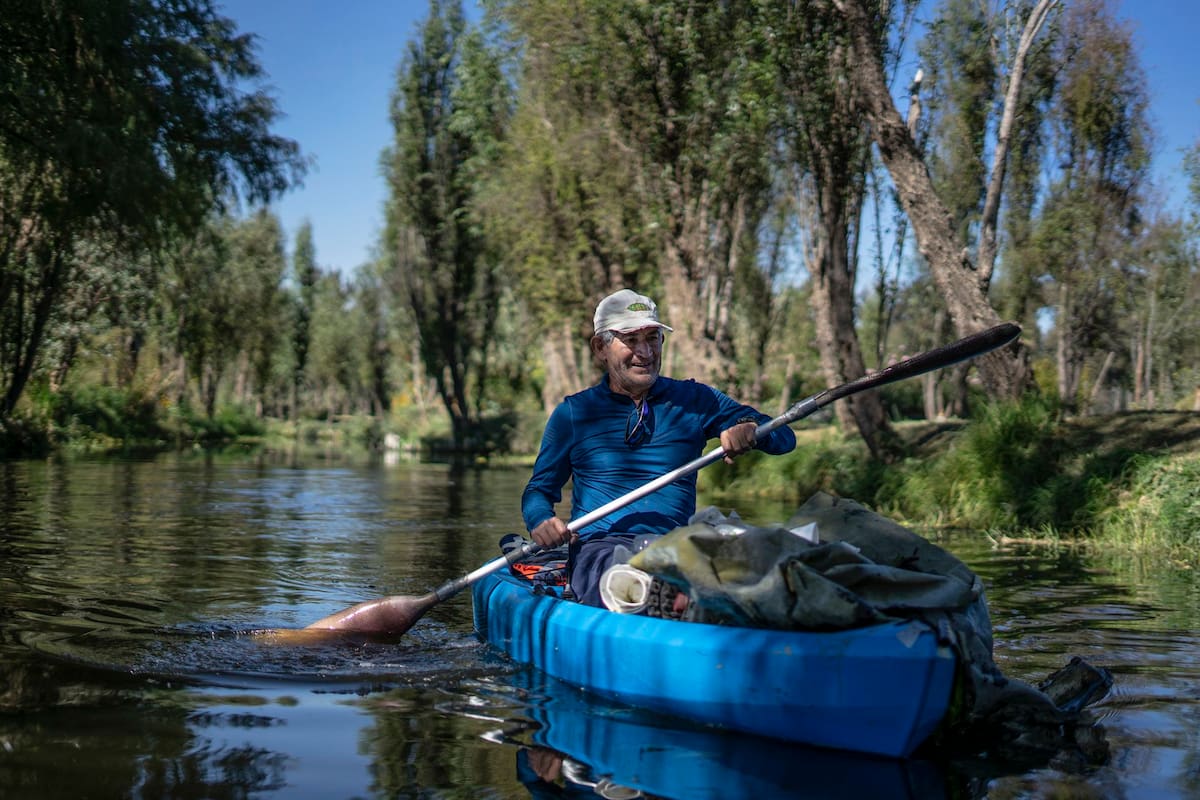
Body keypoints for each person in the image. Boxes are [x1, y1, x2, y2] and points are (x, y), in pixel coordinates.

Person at [522, 288, 797, 607]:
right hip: (600, 550)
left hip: (678, 546)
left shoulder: (697, 400)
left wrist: (750, 429)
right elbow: (537, 491)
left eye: (652, 338)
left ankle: (692, 600)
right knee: (616, 571)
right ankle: (668, 601)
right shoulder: (573, 413)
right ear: (601, 347)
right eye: (630, 340)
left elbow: (784, 440)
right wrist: (541, 520)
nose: (645, 351)